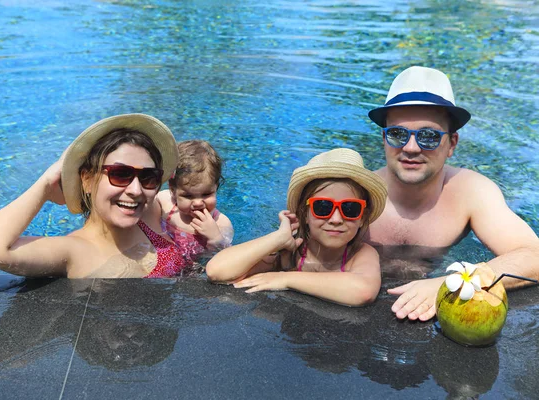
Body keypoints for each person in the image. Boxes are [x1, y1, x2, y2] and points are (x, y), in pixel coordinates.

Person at [367, 66, 539, 321]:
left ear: (452, 144)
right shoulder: (357, 193)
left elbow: (534, 256)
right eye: (397, 134)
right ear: (384, 139)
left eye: (428, 136)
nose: (411, 147)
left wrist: (450, 283)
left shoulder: (470, 191)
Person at [0, 113, 188, 278]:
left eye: (148, 177)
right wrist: (47, 183)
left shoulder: (150, 214)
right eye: (120, 174)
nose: (136, 190)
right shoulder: (74, 250)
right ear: (87, 180)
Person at [206, 148, 388, 305]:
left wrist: (285, 278)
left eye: (350, 208)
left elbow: (363, 291)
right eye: (323, 207)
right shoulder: (290, 251)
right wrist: (278, 238)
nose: (336, 219)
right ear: (305, 213)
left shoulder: (361, 254)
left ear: (362, 217)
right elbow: (217, 271)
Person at [154, 140, 234, 267]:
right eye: (188, 195)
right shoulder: (164, 202)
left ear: (216, 187)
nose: (197, 203)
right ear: (173, 191)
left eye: (207, 194)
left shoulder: (221, 223)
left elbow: (225, 259)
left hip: (196, 268)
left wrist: (215, 238)